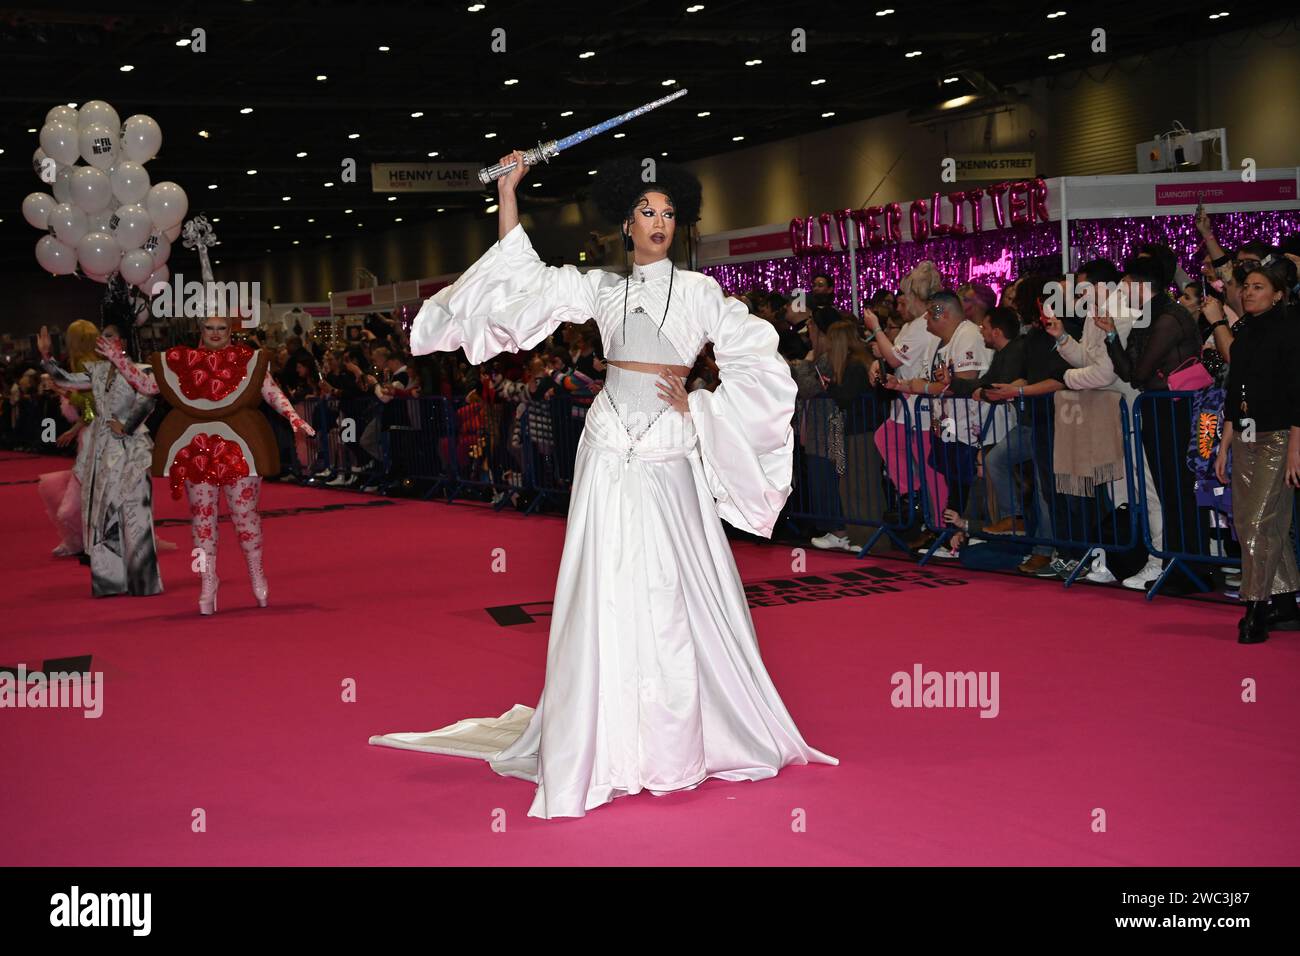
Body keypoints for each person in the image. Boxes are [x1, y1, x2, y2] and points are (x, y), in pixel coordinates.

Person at [370, 151, 837, 820]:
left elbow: (761, 361)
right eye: (647, 212)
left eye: (669, 213)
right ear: (626, 222)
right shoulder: (605, 291)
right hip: (609, 441)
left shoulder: (703, 295)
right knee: (608, 587)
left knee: (675, 587)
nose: (659, 223)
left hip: (670, 447)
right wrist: (508, 196)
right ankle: (608, 735)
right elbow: (524, 281)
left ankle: (682, 737)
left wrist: (702, 404)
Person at [97, 312, 315, 614]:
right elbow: (149, 386)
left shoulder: (247, 361)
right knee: (202, 522)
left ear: (230, 331)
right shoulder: (182, 361)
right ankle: (207, 581)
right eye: (209, 328)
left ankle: (256, 573)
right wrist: (119, 359)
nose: (215, 333)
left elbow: (270, 391)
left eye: (221, 328)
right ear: (202, 330)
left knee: (245, 516)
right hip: (195, 448)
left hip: (240, 445)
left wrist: (293, 417)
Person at [38, 323, 163, 597]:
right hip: (102, 450)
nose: (102, 341)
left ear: (123, 342)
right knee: (103, 513)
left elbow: (150, 397)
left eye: (108, 337)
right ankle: (110, 581)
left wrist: (128, 425)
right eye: (100, 338)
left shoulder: (141, 369)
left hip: (132, 450)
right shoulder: (95, 371)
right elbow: (64, 381)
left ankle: (143, 580)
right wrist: (47, 357)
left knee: (135, 515)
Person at [1215, 259, 1300, 643]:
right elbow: (1237, 391)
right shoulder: (1245, 331)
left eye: (1258, 286)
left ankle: (1255, 608)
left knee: (1257, 523)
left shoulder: (1290, 331)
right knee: (1258, 521)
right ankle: (1283, 602)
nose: (1249, 292)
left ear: (1278, 294)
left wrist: (1296, 448)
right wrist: (1224, 442)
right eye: (1246, 286)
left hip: (1280, 437)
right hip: (1246, 436)